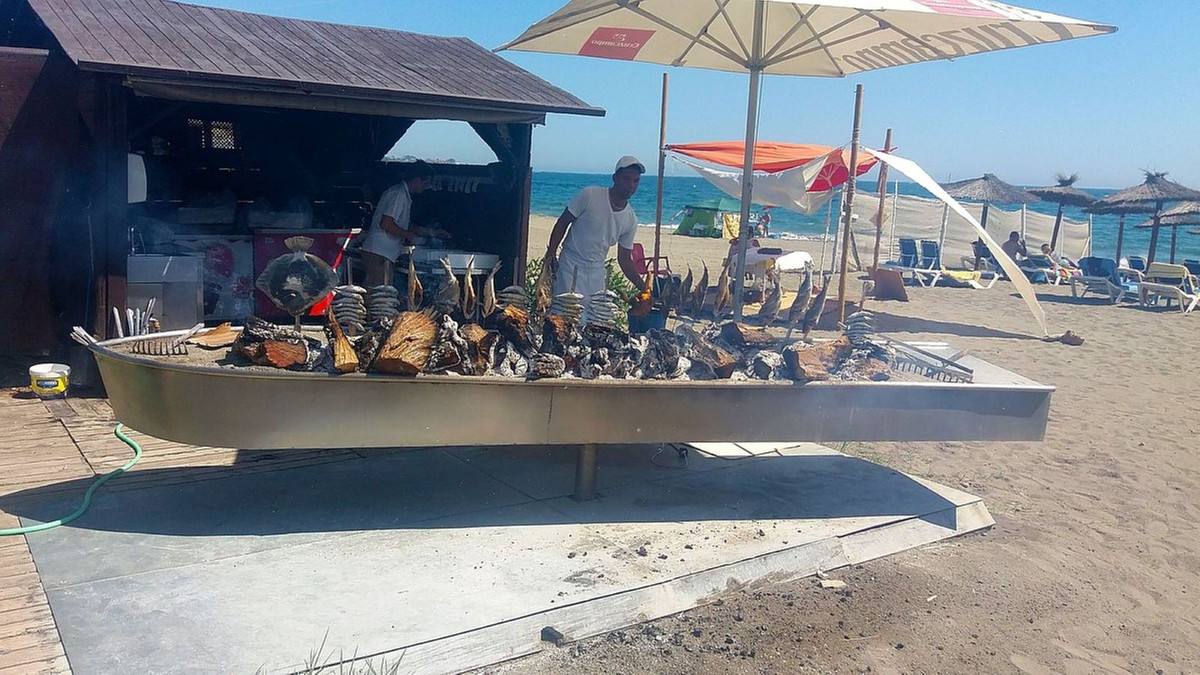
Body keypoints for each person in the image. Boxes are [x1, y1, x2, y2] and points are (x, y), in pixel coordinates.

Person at [545, 156, 647, 322]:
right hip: (570, 265)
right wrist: (551, 254)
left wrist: (642, 286)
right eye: (626, 179)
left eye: (636, 181)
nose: (631, 185)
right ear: (615, 178)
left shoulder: (631, 219)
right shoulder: (590, 195)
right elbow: (563, 222)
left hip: (597, 272)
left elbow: (624, 258)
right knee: (564, 318)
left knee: (594, 322)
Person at [359, 161, 449, 286]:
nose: (425, 187)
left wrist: (430, 232)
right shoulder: (398, 195)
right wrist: (410, 236)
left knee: (383, 291)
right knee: (377, 292)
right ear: (417, 180)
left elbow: (404, 224)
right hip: (379, 252)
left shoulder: (403, 194)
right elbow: (386, 223)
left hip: (384, 253)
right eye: (425, 183)